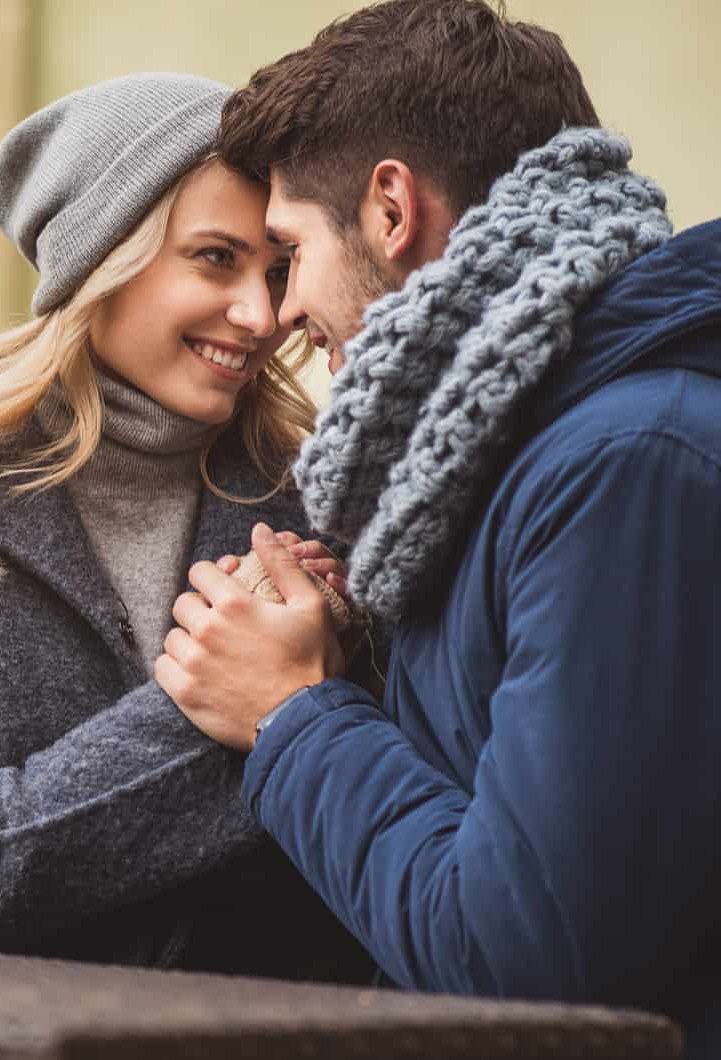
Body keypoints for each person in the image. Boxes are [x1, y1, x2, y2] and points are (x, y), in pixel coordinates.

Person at [153, 0, 721, 1051]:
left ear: (387, 210)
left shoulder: (625, 462)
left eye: (287, 252)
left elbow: (529, 959)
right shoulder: (513, 459)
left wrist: (290, 714)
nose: (278, 313)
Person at [0, 72, 373, 979]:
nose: (261, 316)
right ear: (100, 255)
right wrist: (225, 701)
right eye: (215, 258)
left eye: (276, 270)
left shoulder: (324, 496)